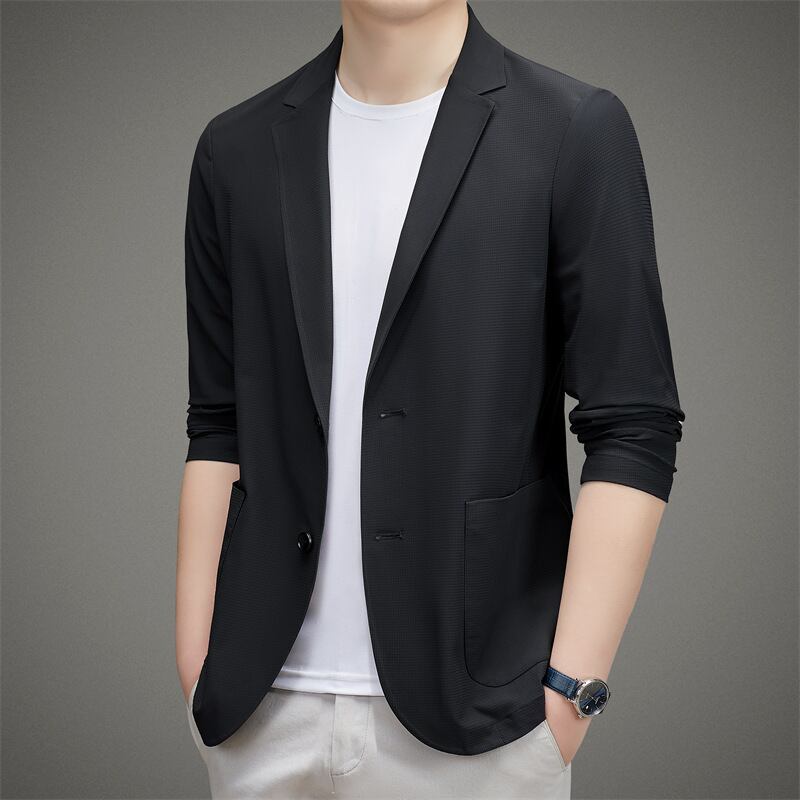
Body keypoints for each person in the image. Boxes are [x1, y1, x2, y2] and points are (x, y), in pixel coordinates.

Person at [175, 1, 685, 797]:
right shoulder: (235, 148)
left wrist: (570, 691)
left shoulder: (570, 129)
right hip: (260, 711)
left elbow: (635, 423)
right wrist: (197, 661)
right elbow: (218, 423)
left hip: (481, 722)